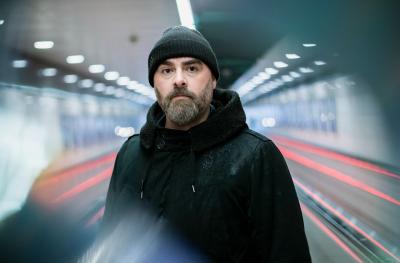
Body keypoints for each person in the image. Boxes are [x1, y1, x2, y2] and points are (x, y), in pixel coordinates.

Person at [102, 25, 311, 262]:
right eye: (166, 70)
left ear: (212, 80)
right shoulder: (131, 153)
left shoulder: (255, 156)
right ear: (154, 84)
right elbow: (109, 245)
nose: (179, 80)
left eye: (191, 68)